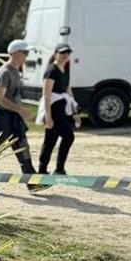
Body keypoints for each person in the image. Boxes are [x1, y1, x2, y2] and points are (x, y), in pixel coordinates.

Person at [0, 40, 45, 192]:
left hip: (12, 118)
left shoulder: (16, 71)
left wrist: (18, 111)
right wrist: (20, 109)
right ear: (15, 53)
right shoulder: (4, 72)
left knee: (23, 148)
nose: (27, 55)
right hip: (0, 118)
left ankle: (32, 182)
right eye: (25, 52)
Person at [38, 44, 80, 175]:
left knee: (50, 140)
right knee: (68, 136)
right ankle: (59, 168)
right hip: (54, 108)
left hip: (63, 107)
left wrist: (74, 112)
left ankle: (43, 170)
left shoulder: (65, 68)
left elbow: (68, 89)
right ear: (56, 54)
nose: (65, 55)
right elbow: (46, 95)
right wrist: (48, 117)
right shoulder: (51, 70)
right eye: (62, 53)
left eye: (67, 53)